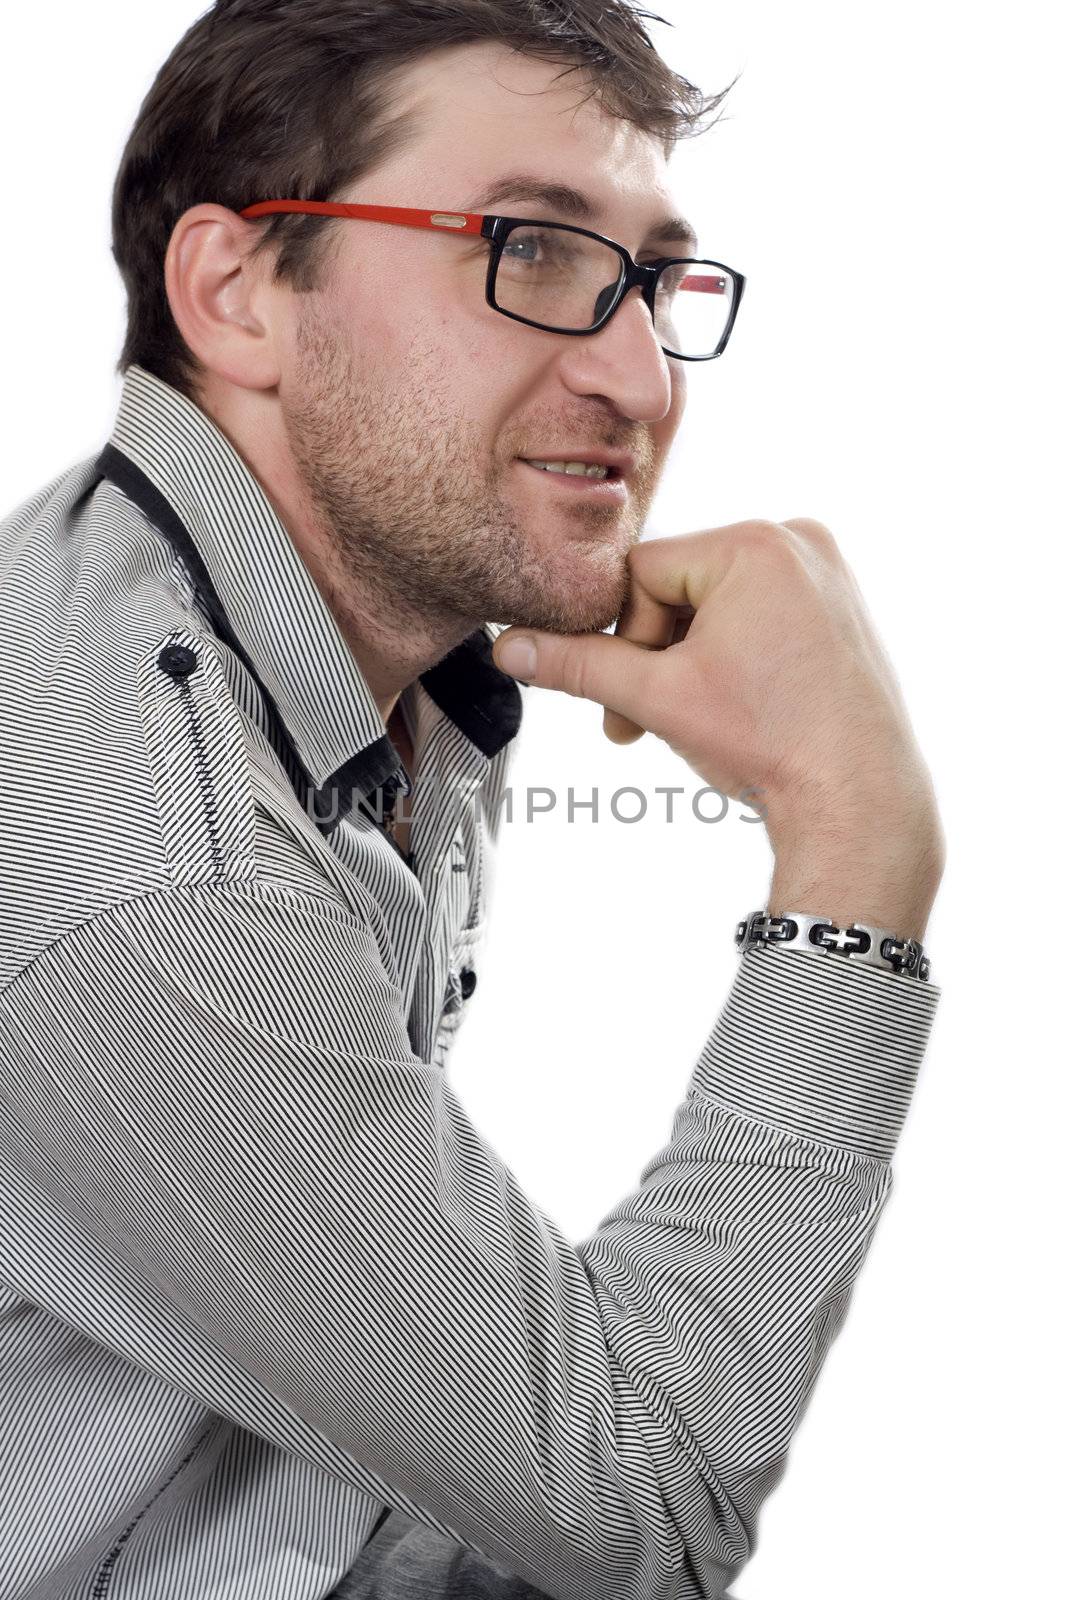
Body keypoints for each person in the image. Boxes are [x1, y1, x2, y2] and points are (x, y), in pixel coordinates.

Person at [0, 2, 945, 1597]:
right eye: (534, 251)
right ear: (237, 295)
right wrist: (855, 854)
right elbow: (630, 1514)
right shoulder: (157, 857)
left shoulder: (307, 640)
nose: (640, 379)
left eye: (651, 281)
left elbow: (304, 1421)